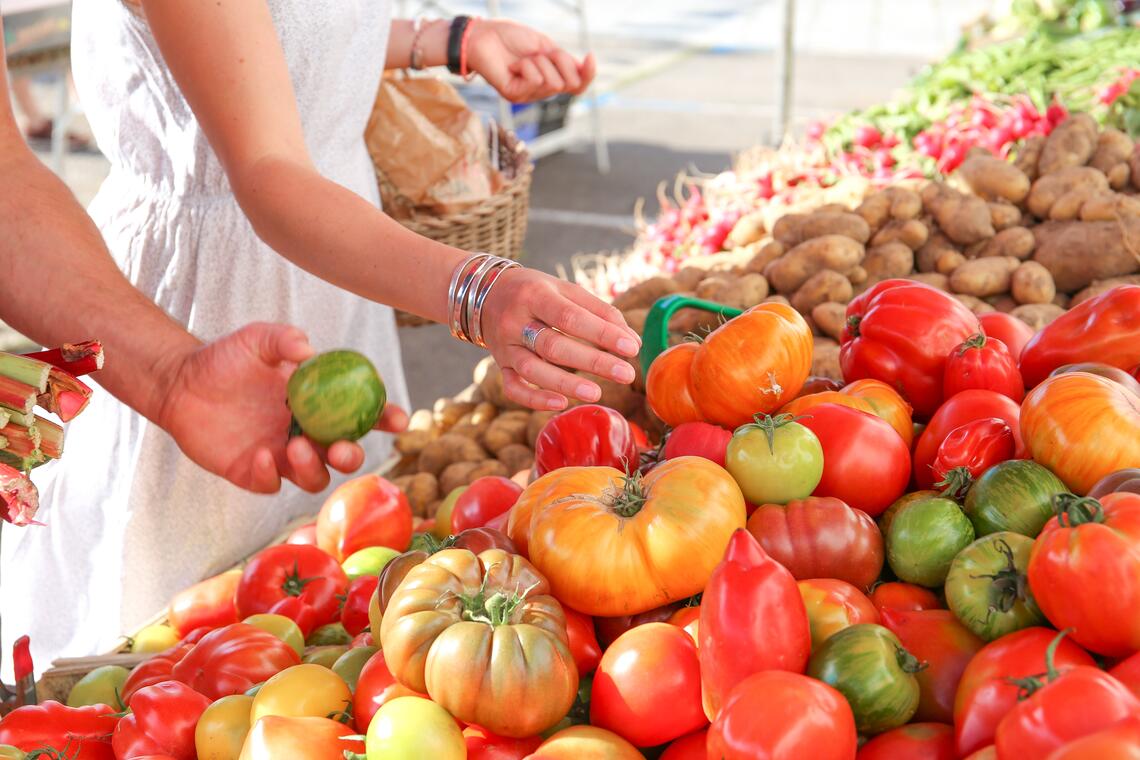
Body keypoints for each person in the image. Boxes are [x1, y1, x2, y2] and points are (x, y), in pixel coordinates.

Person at [1, 3, 640, 675]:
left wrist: (446, 41)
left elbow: (281, 39)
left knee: (338, 627)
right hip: (210, 299)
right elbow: (268, 164)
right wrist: (476, 292)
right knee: (175, 651)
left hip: (336, 283)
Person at [0, 17, 410, 678]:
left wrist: (441, 40)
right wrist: (474, 290)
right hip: (189, 283)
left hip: (319, 305)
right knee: (137, 667)